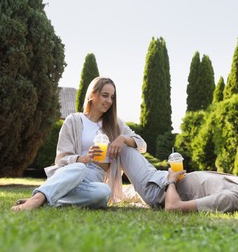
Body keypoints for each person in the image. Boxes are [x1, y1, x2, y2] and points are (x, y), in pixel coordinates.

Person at [11, 77, 146, 211]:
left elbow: (142, 144)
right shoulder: (73, 120)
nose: (109, 101)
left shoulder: (115, 124)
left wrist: (122, 139)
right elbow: (61, 159)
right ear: (92, 94)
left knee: (104, 192)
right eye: (105, 95)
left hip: (95, 179)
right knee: (80, 168)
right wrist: (83, 159)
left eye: (112, 97)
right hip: (72, 173)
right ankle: (36, 199)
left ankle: (47, 200)